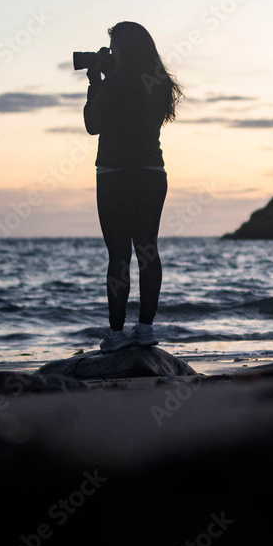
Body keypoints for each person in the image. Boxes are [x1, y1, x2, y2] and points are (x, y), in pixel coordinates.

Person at [83, 21, 182, 352]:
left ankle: (115, 334)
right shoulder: (158, 84)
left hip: (114, 173)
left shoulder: (114, 84)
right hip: (152, 172)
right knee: (147, 249)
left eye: (114, 48)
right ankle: (146, 328)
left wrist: (96, 80)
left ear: (124, 49)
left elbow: (92, 124)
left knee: (119, 256)